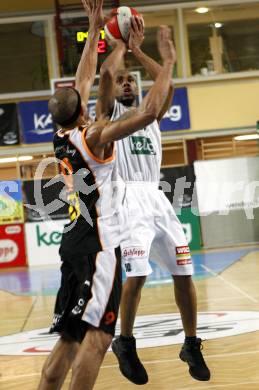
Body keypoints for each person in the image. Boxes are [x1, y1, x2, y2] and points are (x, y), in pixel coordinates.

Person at [37, 1, 177, 388]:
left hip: (72, 243)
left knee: (67, 342)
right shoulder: (93, 136)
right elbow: (149, 113)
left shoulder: (61, 135)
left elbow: (86, 78)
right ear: (82, 110)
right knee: (97, 341)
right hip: (99, 249)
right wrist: (166, 61)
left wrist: (98, 30)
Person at [96, 16, 210, 385]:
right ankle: (125, 342)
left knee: (184, 270)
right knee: (139, 273)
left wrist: (139, 52)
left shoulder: (152, 115)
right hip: (126, 196)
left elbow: (166, 83)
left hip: (156, 196)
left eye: (132, 80)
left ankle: (191, 343)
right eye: (122, 80)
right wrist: (115, 49)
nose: (126, 82)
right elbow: (104, 82)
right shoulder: (109, 116)